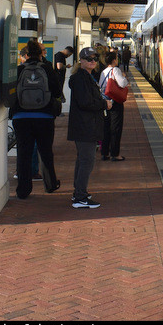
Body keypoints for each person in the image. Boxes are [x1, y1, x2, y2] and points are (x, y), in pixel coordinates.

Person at [10, 39, 60, 199]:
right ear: (40, 54)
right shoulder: (46, 68)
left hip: (21, 117)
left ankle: (23, 190)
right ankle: (50, 185)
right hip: (44, 117)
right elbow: (58, 91)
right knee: (45, 152)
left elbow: (10, 93)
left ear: (26, 54)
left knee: (23, 154)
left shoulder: (18, 70)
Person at [67, 47, 108, 208]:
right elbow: (86, 103)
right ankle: (80, 198)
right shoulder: (80, 79)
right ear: (81, 61)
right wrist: (105, 103)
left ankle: (79, 192)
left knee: (83, 160)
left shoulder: (86, 77)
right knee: (87, 161)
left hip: (86, 125)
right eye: (89, 58)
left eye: (95, 59)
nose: (93, 61)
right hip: (85, 126)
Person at [99, 48, 129, 161]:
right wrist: (125, 78)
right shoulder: (115, 70)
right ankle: (115, 154)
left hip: (105, 101)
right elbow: (122, 83)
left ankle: (104, 153)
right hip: (115, 102)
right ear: (114, 60)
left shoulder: (103, 71)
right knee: (115, 128)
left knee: (106, 128)